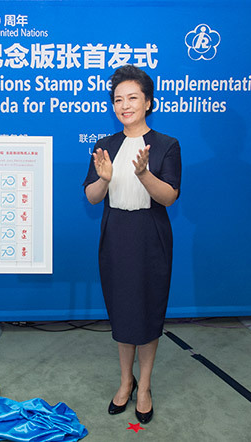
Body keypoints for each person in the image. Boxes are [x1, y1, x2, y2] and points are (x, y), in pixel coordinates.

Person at [83, 65, 181, 424]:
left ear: (148, 102)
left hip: (151, 235)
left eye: (133, 98)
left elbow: (169, 196)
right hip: (116, 234)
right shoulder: (105, 146)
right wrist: (104, 179)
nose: (125, 106)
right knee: (123, 311)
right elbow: (92, 197)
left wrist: (143, 174)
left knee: (149, 309)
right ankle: (126, 381)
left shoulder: (167, 145)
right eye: (118, 100)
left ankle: (145, 387)